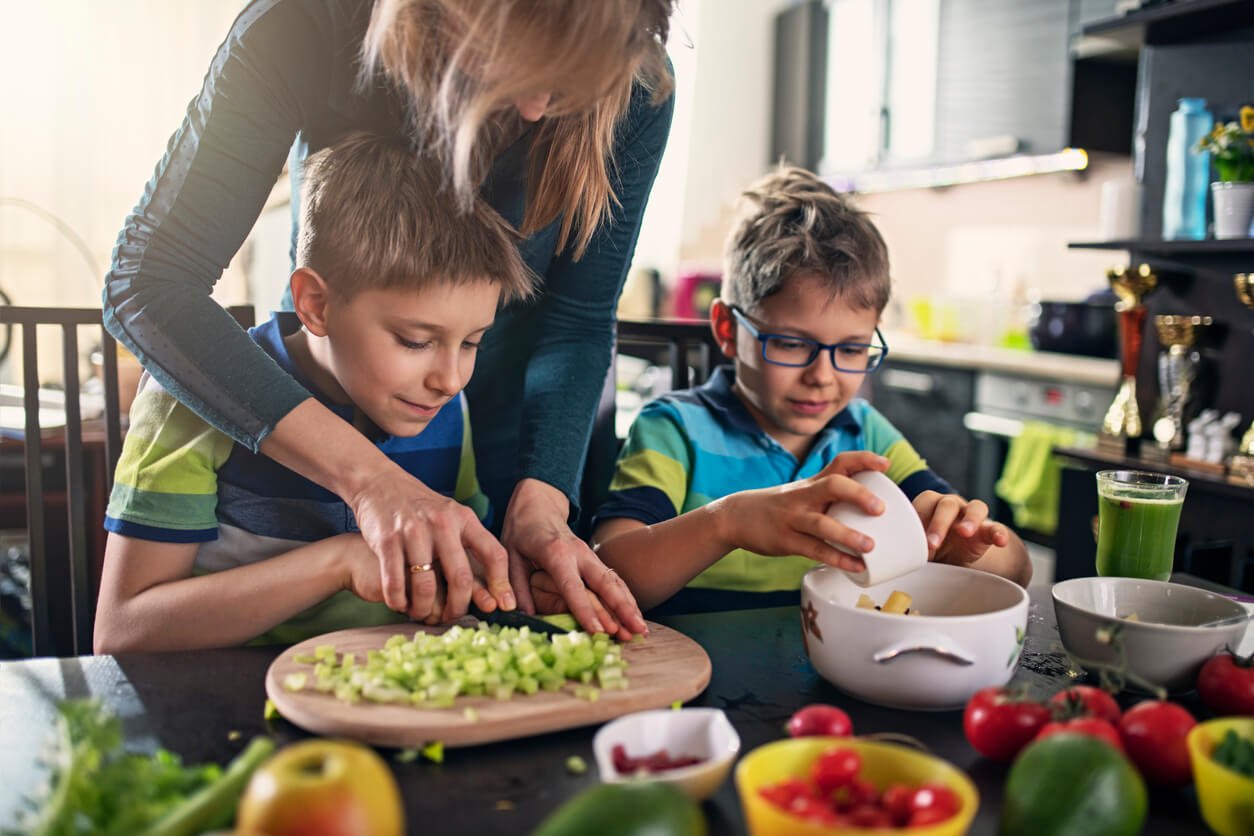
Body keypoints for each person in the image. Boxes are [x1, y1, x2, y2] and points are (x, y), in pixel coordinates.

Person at [102, 0, 674, 639]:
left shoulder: (637, 85)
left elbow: (577, 320)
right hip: (319, 410)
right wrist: (371, 480)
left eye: (568, 86)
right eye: (517, 60)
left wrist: (543, 500)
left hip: (485, 438)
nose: (538, 109)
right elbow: (150, 282)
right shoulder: (308, 22)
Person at [94, 132, 535, 652]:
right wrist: (339, 563)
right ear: (316, 305)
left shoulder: (443, 406)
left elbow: (464, 574)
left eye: (472, 343)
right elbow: (123, 632)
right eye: (415, 341)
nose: (451, 379)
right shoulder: (189, 398)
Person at [591, 166, 1032, 614]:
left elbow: (1016, 569)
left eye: (852, 349)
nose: (822, 375)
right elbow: (608, 573)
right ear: (727, 329)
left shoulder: (867, 435)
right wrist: (727, 523)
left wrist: (970, 547)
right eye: (790, 343)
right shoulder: (674, 430)